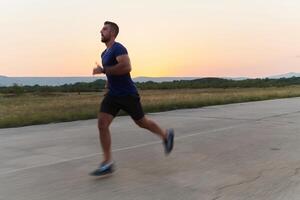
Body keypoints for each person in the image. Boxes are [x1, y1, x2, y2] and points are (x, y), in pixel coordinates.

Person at [90, 21, 174, 176]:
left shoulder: (118, 48)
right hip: (113, 95)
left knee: (142, 122)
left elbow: (126, 67)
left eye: (104, 29)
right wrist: (108, 85)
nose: (101, 31)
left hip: (128, 94)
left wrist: (103, 70)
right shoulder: (104, 53)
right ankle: (108, 162)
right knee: (102, 124)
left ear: (113, 33)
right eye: (102, 29)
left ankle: (165, 135)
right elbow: (111, 73)